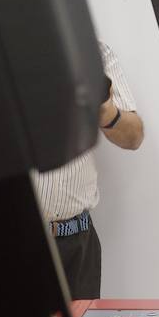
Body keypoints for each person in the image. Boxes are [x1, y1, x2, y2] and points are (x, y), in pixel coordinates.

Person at [34, 42, 144, 300]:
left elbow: (133, 137)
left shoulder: (90, 49)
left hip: (78, 242)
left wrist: (104, 108)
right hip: (11, 241)